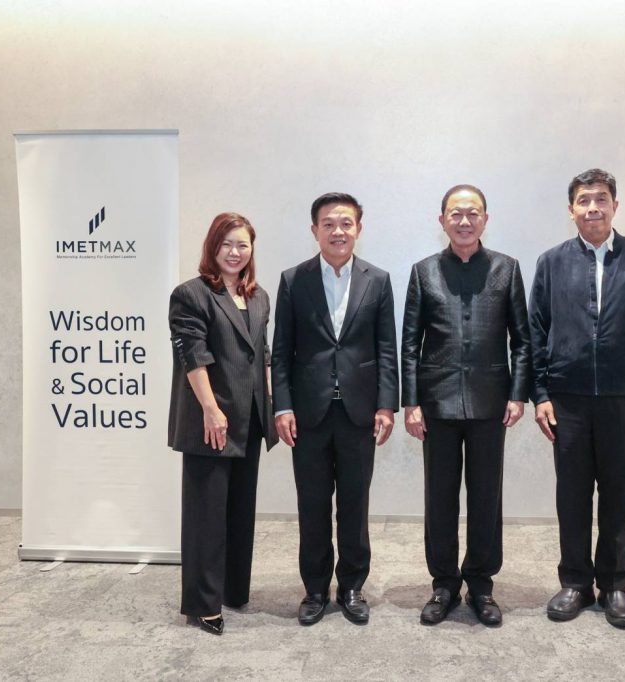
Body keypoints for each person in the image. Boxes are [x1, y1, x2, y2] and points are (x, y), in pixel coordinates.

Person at [529, 169, 625, 629]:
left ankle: (615, 585)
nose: (592, 208)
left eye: (601, 199)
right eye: (584, 200)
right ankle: (575, 582)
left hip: (623, 399)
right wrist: (540, 393)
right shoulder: (552, 263)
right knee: (572, 495)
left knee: (619, 494)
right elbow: (536, 333)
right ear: (571, 209)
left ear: (615, 206)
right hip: (568, 400)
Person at [401, 184, 530, 627]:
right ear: (442, 221)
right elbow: (409, 344)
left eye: (473, 213)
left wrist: (518, 394)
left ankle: (480, 584)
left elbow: (523, 341)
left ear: (485, 220)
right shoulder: (424, 272)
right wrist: (411, 403)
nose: (464, 220)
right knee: (439, 498)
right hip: (436, 405)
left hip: (491, 403)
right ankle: (443, 584)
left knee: (486, 496)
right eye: (455, 213)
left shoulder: (506, 270)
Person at [271, 192, 399, 626]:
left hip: (359, 413)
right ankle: (314, 589)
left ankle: (351, 586)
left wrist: (387, 405)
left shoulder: (377, 280)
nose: (338, 231)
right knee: (311, 505)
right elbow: (281, 352)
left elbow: (386, 348)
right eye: (328, 224)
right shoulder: (294, 280)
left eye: (346, 223)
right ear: (315, 230)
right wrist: (282, 407)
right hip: (308, 414)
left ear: (358, 229)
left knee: (354, 505)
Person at [167, 212, 279, 636]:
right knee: (206, 516)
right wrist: (211, 410)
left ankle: (232, 590)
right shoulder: (191, 295)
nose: (235, 252)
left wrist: (272, 404)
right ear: (212, 247)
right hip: (210, 421)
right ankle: (203, 603)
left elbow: (262, 354)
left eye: (242, 244)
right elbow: (193, 356)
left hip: (249, 420)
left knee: (239, 512)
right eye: (227, 244)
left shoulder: (259, 296)